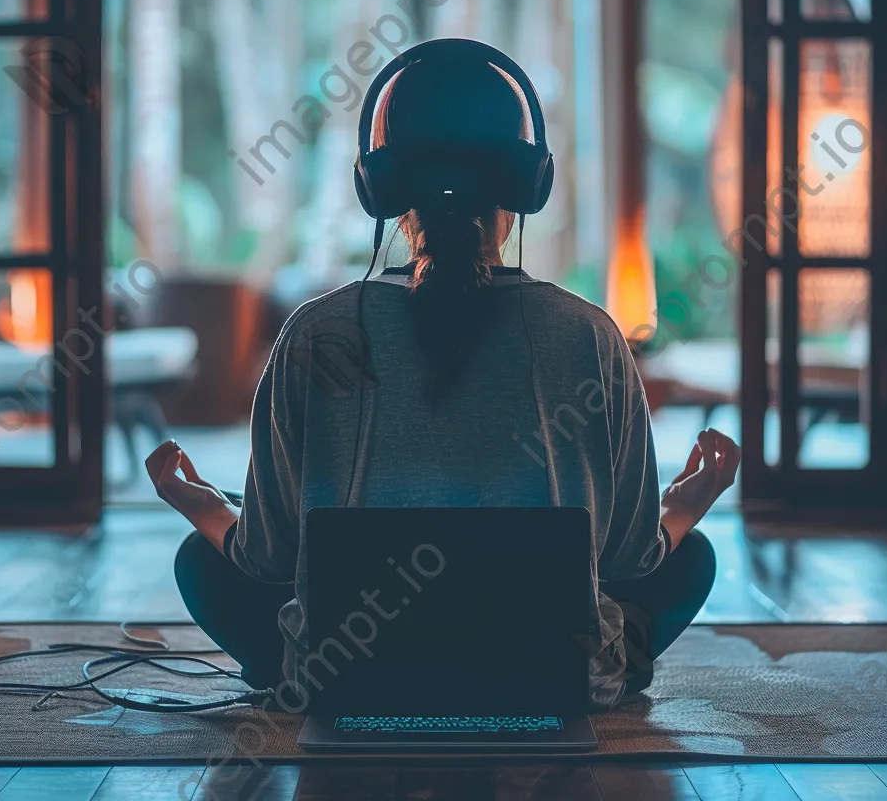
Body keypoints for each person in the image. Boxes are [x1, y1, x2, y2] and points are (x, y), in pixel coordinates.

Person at [146, 39, 740, 712]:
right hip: (551, 674)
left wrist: (199, 505)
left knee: (200, 564)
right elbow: (633, 561)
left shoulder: (313, 333)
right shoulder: (590, 335)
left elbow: (266, 562)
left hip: (347, 676)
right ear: (529, 182)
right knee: (693, 560)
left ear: (378, 185)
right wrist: (691, 499)